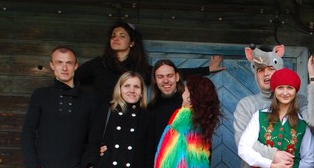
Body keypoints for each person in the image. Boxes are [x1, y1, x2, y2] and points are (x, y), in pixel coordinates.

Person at [231, 45, 314, 168]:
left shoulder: (299, 101)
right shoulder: (246, 105)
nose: (266, 74)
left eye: (271, 68)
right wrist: (274, 156)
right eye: (260, 70)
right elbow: (243, 143)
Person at [20, 46, 98, 168]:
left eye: (69, 63)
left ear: (76, 66)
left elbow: (94, 140)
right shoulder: (41, 95)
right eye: (59, 63)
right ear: (52, 65)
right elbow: (27, 134)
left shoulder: (89, 100)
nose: (64, 67)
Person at [76, 21, 224, 105]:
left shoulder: (139, 69)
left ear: (132, 42)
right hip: (100, 119)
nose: (116, 38)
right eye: (113, 36)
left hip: (128, 120)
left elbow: (169, 74)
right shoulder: (98, 64)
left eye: (122, 36)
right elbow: (74, 79)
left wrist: (207, 69)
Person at [151, 75, 223, 168]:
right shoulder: (202, 123)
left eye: (185, 91)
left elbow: (167, 161)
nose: (182, 93)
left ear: (190, 97)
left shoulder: (181, 120)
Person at [148, 59, 224, 143]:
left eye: (170, 76)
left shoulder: (189, 104)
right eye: (160, 77)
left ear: (177, 77)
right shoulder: (150, 108)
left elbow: (202, 140)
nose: (165, 80)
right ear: (155, 80)